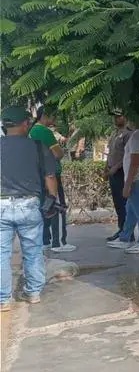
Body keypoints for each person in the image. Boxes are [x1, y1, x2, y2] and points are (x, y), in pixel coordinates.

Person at [1, 107, 59, 311]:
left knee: (1, 253)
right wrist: (52, 199)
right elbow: (50, 176)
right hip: (29, 204)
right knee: (33, 250)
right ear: (25, 124)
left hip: (1, 205)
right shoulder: (37, 146)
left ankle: (3, 300)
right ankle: (33, 292)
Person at [29, 105, 75, 253]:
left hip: (37, 175)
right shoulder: (45, 131)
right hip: (52, 175)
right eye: (53, 116)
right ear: (45, 115)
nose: (54, 119)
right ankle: (59, 242)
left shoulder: (31, 131)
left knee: (44, 206)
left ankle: (46, 240)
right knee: (57, 206)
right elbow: (58, 154)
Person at [107, 115, 139, 253]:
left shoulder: (137, 137)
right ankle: (125, 237)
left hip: (136, 179)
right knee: (131, 211)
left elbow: (135, 162)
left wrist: (128, 184)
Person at [104, 109, 133, 242]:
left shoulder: (128, 134)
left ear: (125, 117)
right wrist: (106, 168)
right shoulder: (114, 133)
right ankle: (121, 229)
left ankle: (127, 233)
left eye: (119, 116)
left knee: (123, 203)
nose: (116, 119)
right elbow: (110, 153)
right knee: (117, 203)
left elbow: (129, 155)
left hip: (121, 171)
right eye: (115, 117)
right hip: (112, 171)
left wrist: (115, 167)